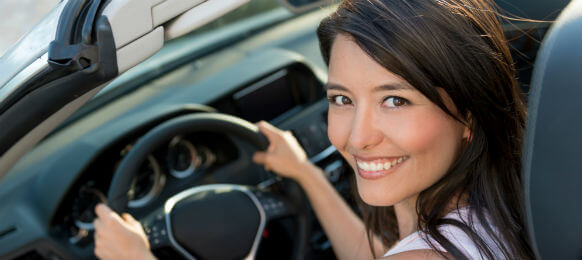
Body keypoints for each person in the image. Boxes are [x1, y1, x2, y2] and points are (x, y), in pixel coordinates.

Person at [93, 0, 535, 259]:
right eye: (342, 99)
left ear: (469, 117)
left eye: (395, 100)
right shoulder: (492, 209)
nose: (357, 137)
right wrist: (305, 175)